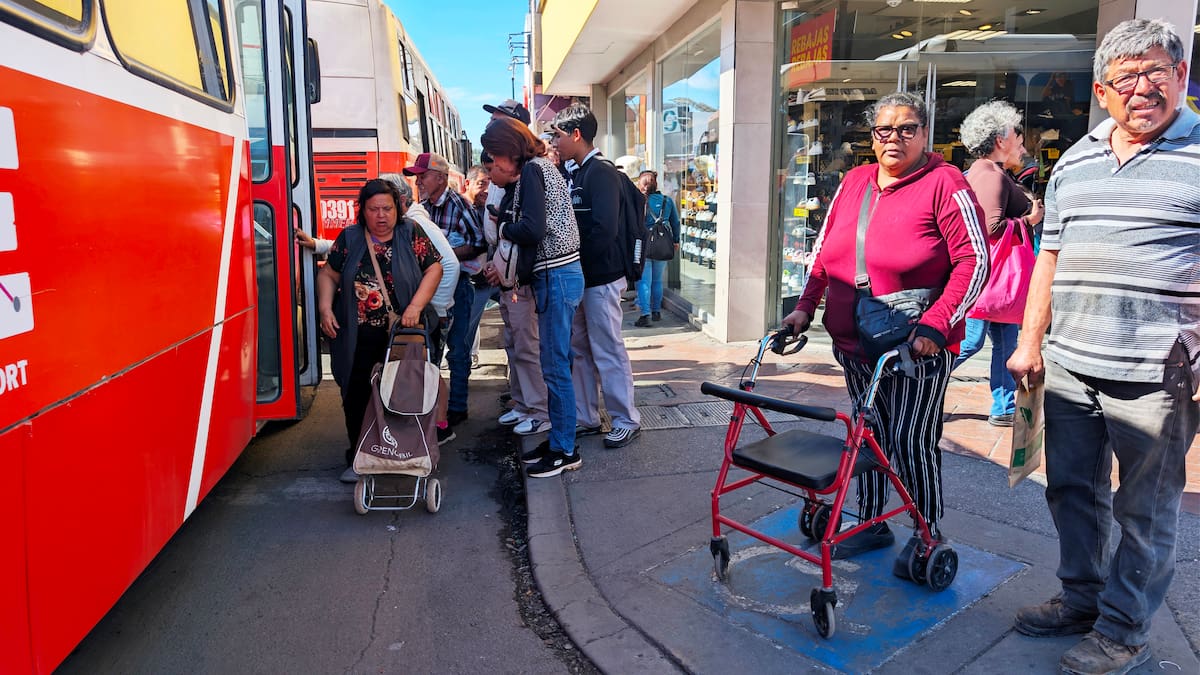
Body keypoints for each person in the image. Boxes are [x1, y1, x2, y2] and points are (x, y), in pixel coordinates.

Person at [1007, 19, 1200, 675]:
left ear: (1180, 74)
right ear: (1103, 89)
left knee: (1143, 512)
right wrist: (1030, 341)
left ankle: (1123, 629)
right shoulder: (1077, 160)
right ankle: (1082, 600)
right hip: (1068, 368)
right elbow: (1049, 257)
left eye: (1154, 72)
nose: (1141, 88)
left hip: (1158, 376)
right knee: (1070, 491)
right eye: (1126, 77)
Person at [781, 91, 987, 566]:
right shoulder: (855, 181)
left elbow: (975, 262)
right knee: (867, 434)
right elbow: (825, 253)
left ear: (925, 133)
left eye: (907, 128)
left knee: (912, 440)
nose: (895, 138)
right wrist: (805, 307)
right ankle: (871, 521)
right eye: (884, 130)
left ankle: (927, 529)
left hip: (916, 348)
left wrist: (938, 325)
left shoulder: (946, 183)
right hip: (855, 343)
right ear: (872, 137)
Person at [317, 179, 443, 483]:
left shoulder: (410, 232)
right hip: (358, 334)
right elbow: (329, 273)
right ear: (363, 211)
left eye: (387, 208)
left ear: (397, 208)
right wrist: (324, 308)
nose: (381, 215)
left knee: (404, 392)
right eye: (373, 209)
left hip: (404, 333)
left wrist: (414, 307)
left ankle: (406, 453)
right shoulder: (349, 238)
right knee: (357, 393)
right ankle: (360, 455)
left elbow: (434, 268)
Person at [481, 116, 584, 477]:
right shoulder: (539, 168)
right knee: (554, 364)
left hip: (556, 274)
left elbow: (532, 228)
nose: (495, 163)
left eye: (496, 155)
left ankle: (565, 449)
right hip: (555, 274)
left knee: (555, 367)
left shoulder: (534, 172)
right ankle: (559, 441)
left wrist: (503, 226)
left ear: (511, 150)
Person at [551, 103, 642, 448]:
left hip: (601, 278)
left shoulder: (600, 172)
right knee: (582, 349)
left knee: (607, 349)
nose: (555, 143)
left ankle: (626, 419)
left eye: (558, 136)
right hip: (586, 278)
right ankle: (587, 416)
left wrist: (573, 263)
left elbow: (603, 230)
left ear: (576, 135)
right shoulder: (580, 172)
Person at [952, 101, 1044, 426]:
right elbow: (989, 228)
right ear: (1000, 139)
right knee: (971, 341)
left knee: (1006, 341)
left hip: (996, 276)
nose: (1021, 143)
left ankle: (1004, 406)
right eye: (1016, 137)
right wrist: (1029, 221)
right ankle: (919, 382)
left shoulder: (979, 171)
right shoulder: (992, 175)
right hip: (992, 277)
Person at [404, 152, 484, 429]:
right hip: (429, 288)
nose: (418, 181)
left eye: (422, 175)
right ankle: (432, 408)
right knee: (430, 350)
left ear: (441, 177)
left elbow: (478, 243)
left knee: (458, 349)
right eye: (416, 176)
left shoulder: (458, 205)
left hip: (459, 286)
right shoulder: (423, 206)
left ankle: (457, 408)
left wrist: (442, 253)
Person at [483, 151, 551, 437]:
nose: (490, 176)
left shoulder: (528, 182)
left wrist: (504, 227)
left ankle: (539, 411)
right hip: (509, 282)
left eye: (493, 168)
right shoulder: (513, 190)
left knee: (527, 348)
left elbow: (529, 235)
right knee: (515, 346)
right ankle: (524, 403)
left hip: (521, 283)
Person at [377, 173, 459, 371]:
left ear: (401, 200)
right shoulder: (401, 224)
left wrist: (434, 306)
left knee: (421, 377)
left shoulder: (417, 224)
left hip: (427, 316)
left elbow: (449, 265)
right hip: (418, 314)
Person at [633, 169, 679, 327]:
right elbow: (676, 223)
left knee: (644, 281)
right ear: (655, 184)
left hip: (644, 245)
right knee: (657, 280)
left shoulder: (638, 201)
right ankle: (656, 311)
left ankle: (645, 314)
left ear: (641, 185)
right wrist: (676, 241)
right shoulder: (667, 201)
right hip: (662, 245)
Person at [461, 165, 497, 372]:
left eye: (491, 184)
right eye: (482, 183)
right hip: (473, 283)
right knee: (465, 331)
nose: (486, 189)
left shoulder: (488, 207)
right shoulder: (459, 209)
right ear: (468, 184)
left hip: (494, 279)